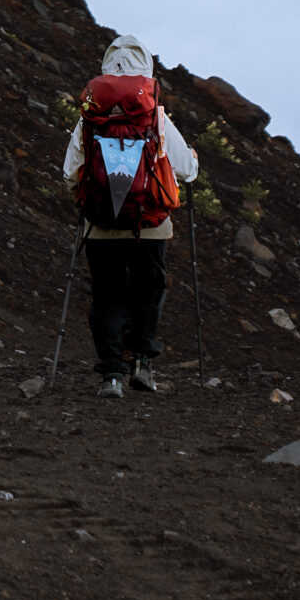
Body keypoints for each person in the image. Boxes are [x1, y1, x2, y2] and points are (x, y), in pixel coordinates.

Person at [62, 34, 198, 398]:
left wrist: (85, 198)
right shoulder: (156, 116)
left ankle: (111, 375)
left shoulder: (90, 118)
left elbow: (69, 171)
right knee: (148, 292)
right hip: (150, 224)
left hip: (101, 224)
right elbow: (185, 169)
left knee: (107, 296)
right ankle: (141, 363)